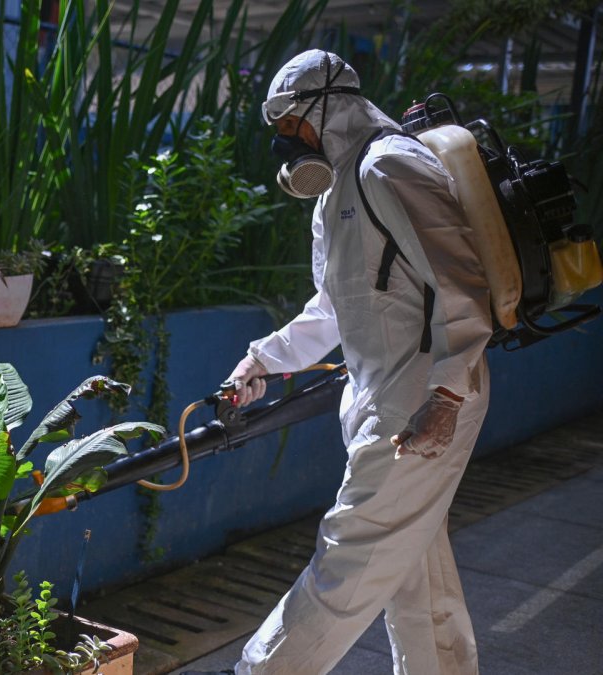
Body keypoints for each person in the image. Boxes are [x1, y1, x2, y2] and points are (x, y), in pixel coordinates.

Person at [225, 49, 493, 674]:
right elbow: (332, 307)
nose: (287, 144)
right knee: (414, 573)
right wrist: (261, 360)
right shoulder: (335, 193)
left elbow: (461, 280)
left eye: (293, 126)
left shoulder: (388, 165)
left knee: (348, 561)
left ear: (329, 107)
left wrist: (448, 396)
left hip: (422, 401)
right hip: (382, 400)